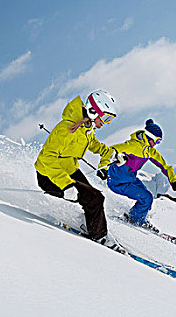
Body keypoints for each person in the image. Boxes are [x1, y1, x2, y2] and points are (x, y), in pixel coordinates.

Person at [34, 89, 124, 252]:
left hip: (69, 170)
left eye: (109, 119)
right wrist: (66, 185)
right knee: (96, 198)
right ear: (93, 110)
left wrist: (112, 154)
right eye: (105, 118)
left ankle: (90, 224)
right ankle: (99, 236)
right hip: (49, 175)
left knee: (92, 197)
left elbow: (96, 146)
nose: (105, 122)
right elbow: (47, 158)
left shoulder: (86, 128)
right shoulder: (66, 129)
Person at [98, 119, 176, 232]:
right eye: (157, 141)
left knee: (148, 199)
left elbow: (164, 166)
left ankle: (137, 217)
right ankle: (135, 219)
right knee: (146, 198)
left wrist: (173, 180)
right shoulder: (132, 146)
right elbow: (110, 151)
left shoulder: (150, 152)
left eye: (159, 142)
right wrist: (104, 168)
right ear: (150, 137)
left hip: (131, 179)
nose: (156, 144)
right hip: (118, 182)